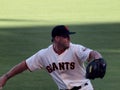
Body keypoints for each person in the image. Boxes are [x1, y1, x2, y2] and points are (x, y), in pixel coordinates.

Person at [0, 25, 103, 90]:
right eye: (65, 37)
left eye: (69, 36)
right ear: (57, 38)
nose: (69, 39)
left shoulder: (76, 49)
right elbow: (25, 65)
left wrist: (98, 59)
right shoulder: (44, 55)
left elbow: (92, 53)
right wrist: (5, 77)